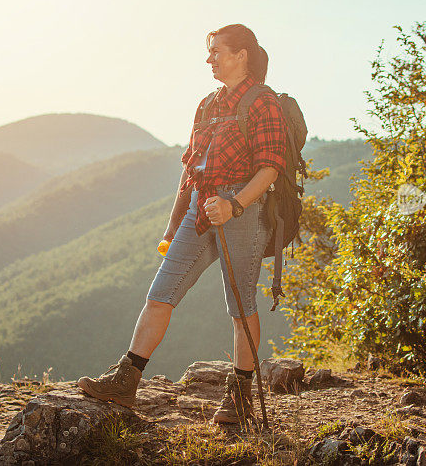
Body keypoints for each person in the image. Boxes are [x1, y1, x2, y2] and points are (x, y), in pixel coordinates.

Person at [76, 23, 287, 425]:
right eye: (209, 52)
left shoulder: (264, 102)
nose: (210, 59)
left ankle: (241, 395)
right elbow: (190, 169)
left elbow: (270, 169)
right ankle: (126, 381)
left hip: (243, 212)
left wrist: (235, 206)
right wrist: (174, 224)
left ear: (242, 54)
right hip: (200, 209)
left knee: (240, 306)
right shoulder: (207, 104)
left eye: (217, 51)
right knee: (160, 293)